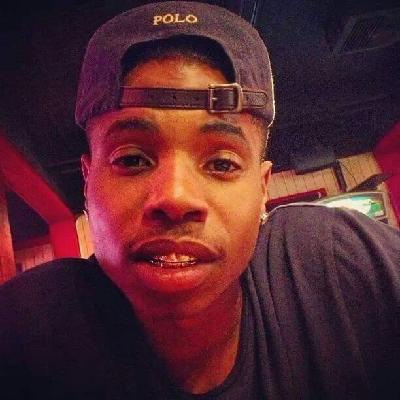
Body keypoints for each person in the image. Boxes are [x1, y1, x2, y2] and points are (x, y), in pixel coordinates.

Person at [0, 2, 399, 399]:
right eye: (132, 159)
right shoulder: (26, 327)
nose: (176, 198)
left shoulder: (339, 262)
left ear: (262, 188)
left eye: (222, 163)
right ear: (88, 183)